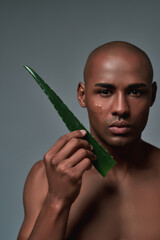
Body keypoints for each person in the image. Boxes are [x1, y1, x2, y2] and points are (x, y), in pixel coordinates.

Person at [18, 41, 160, 240]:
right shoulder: (45, 177)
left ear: (152, 95)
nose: (121, 108)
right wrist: (57, 200)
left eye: (135, 92)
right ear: (82, 95)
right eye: (105, 92)